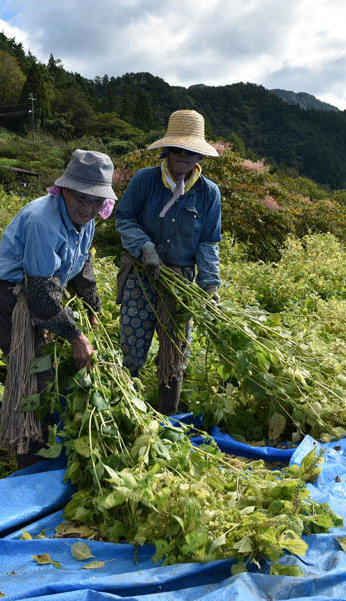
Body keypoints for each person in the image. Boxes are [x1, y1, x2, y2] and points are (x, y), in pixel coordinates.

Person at [0, 149, 116, 467]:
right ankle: (29, 457)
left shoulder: (86, 220)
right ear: (65, 189)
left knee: (46, 369)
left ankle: (15, 420)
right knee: (35, 372)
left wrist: (93, 307)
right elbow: (41, 294)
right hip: (10, 300)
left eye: (96, 200)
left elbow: (83, 267)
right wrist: (75, 335)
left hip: (36, 297)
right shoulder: (44, 221)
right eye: (81, 197)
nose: (88, 206)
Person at [115, 110, 221, 415]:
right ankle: (126, 410)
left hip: (180, 280)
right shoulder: (145, 181)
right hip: (140, 273)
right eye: (178, 149)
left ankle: (168, 417)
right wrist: (144, 247)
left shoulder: (208, 193)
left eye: (191, 151)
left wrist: (210, 285)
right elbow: (124, 218)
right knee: (133, 342)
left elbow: (208, 242)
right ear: (167, 150)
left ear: (199, 154)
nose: (184, 156)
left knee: (175, 350)